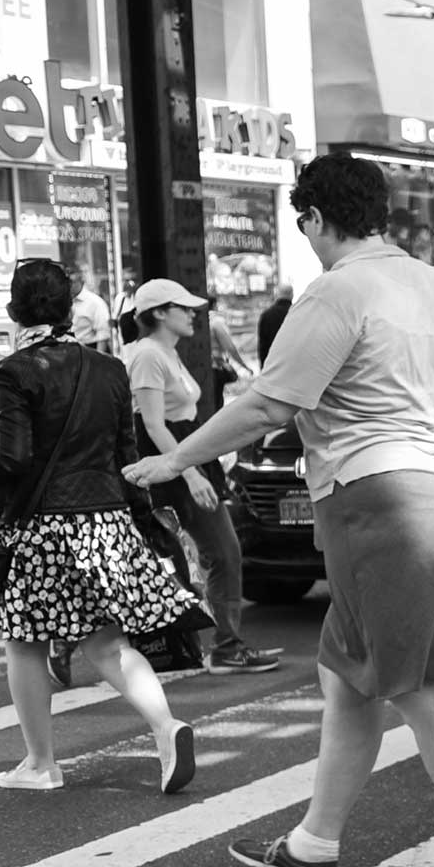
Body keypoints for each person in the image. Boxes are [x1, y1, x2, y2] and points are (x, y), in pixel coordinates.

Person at [129, 153, 434, 867]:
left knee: (432, 700)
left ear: (315, 217)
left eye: (303, 224)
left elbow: (268, 406)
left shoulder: (335, 290)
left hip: (383, 505)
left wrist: (176, 458)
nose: (306, 237)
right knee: (348, 680)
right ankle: (314, 846)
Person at [0, 258, 200, 794]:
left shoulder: (10, 373)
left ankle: (41, 764)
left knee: (24, 643)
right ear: (70, 308)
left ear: (12, 310)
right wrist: (143, 522)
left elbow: (9, 460)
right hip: (107, 526)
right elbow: (126, 455)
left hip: (42, 532)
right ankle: (167, 727)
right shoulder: (110, 369)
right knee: (109, 644)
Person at [119, 278, 282, 675]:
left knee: (215, 553)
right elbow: (154, 426)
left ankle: (225, 644)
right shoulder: (148, 356)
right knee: (194, 555)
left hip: (182, 463)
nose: (193, 314)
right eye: (184, 307)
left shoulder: (164, 353)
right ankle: (223, 646)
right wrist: (188, 472)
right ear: (159, 313)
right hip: (169, 468)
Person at [69, 267, 116, 353]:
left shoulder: (95, 302)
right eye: (67, 282)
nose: (69, 285)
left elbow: (103, 334)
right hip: (72, 351)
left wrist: (98, 359)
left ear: (81, 282)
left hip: (90, 349)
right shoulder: (65, 301)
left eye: (72, 282)